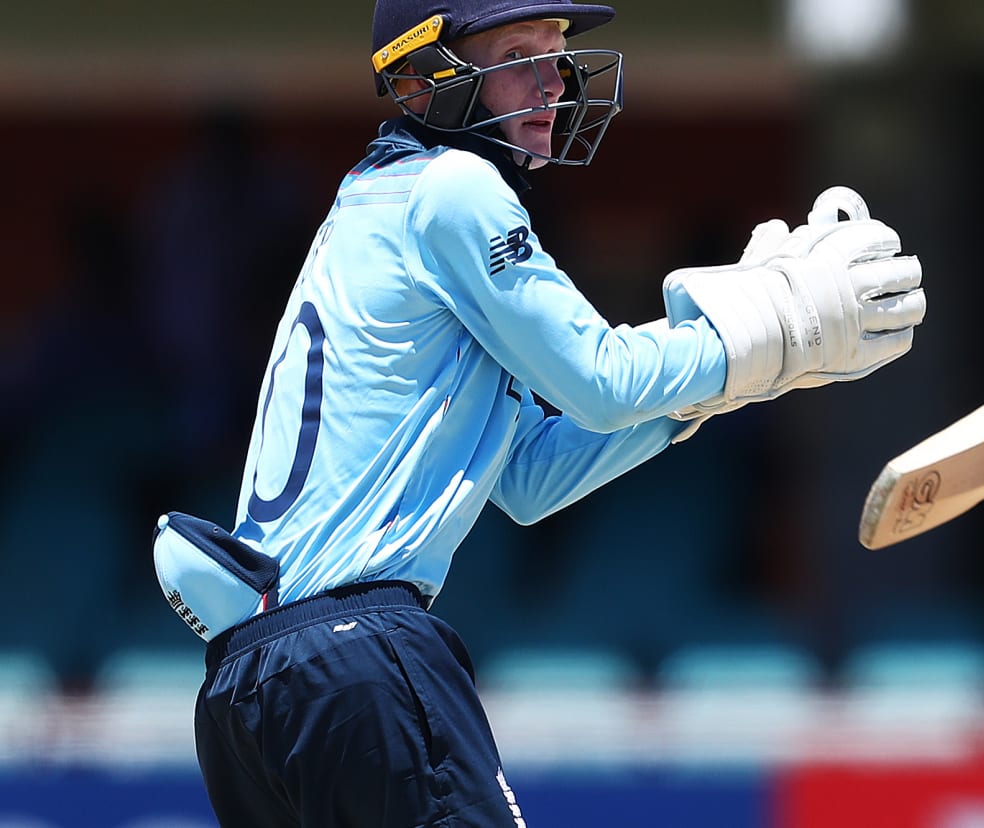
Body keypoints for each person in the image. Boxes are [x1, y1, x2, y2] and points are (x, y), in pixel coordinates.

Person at [147, 0, 925, 824]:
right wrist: (775, 328)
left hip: (256, 681)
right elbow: (602, 380)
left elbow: (528, 477)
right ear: (425, 78)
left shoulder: (375, 200)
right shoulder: (456, 188)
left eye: (555, 54)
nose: (551, 81)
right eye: (519, 53)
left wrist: (728, 380)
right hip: (358, 651)